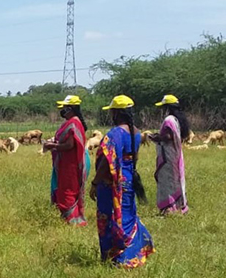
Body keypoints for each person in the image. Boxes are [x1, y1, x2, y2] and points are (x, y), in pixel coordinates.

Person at [90, 95, 154, 268]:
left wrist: (95, 183)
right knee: (127, 215)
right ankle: (132, 254)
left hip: (112, 183)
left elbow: (106, 162)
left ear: (117, 113)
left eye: (112, 111)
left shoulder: (115, 134)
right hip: (128, 179)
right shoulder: (136, 132)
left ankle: (116, 257)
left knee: (109, 216)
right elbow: (134, 158)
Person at [43, 95, 90, 226]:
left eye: (64, 107)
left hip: (71, 164)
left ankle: (73, 220)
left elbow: (70, 145)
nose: (62, 110)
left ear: (70, 109)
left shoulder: (74, 123)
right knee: (65, 189)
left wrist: (53, 146)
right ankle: (67, 220)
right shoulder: (70, 122)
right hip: (65, 163)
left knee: (68, 190)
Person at [150, 94, 189, 215]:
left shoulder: (169, 120)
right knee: (175, 179)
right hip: (174, 153)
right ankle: (178, 206)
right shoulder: (177, 120)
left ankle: (169, 208)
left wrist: (156, 138)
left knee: (167, 180)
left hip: (167, 155)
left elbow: (168, 136)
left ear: (168, 108)